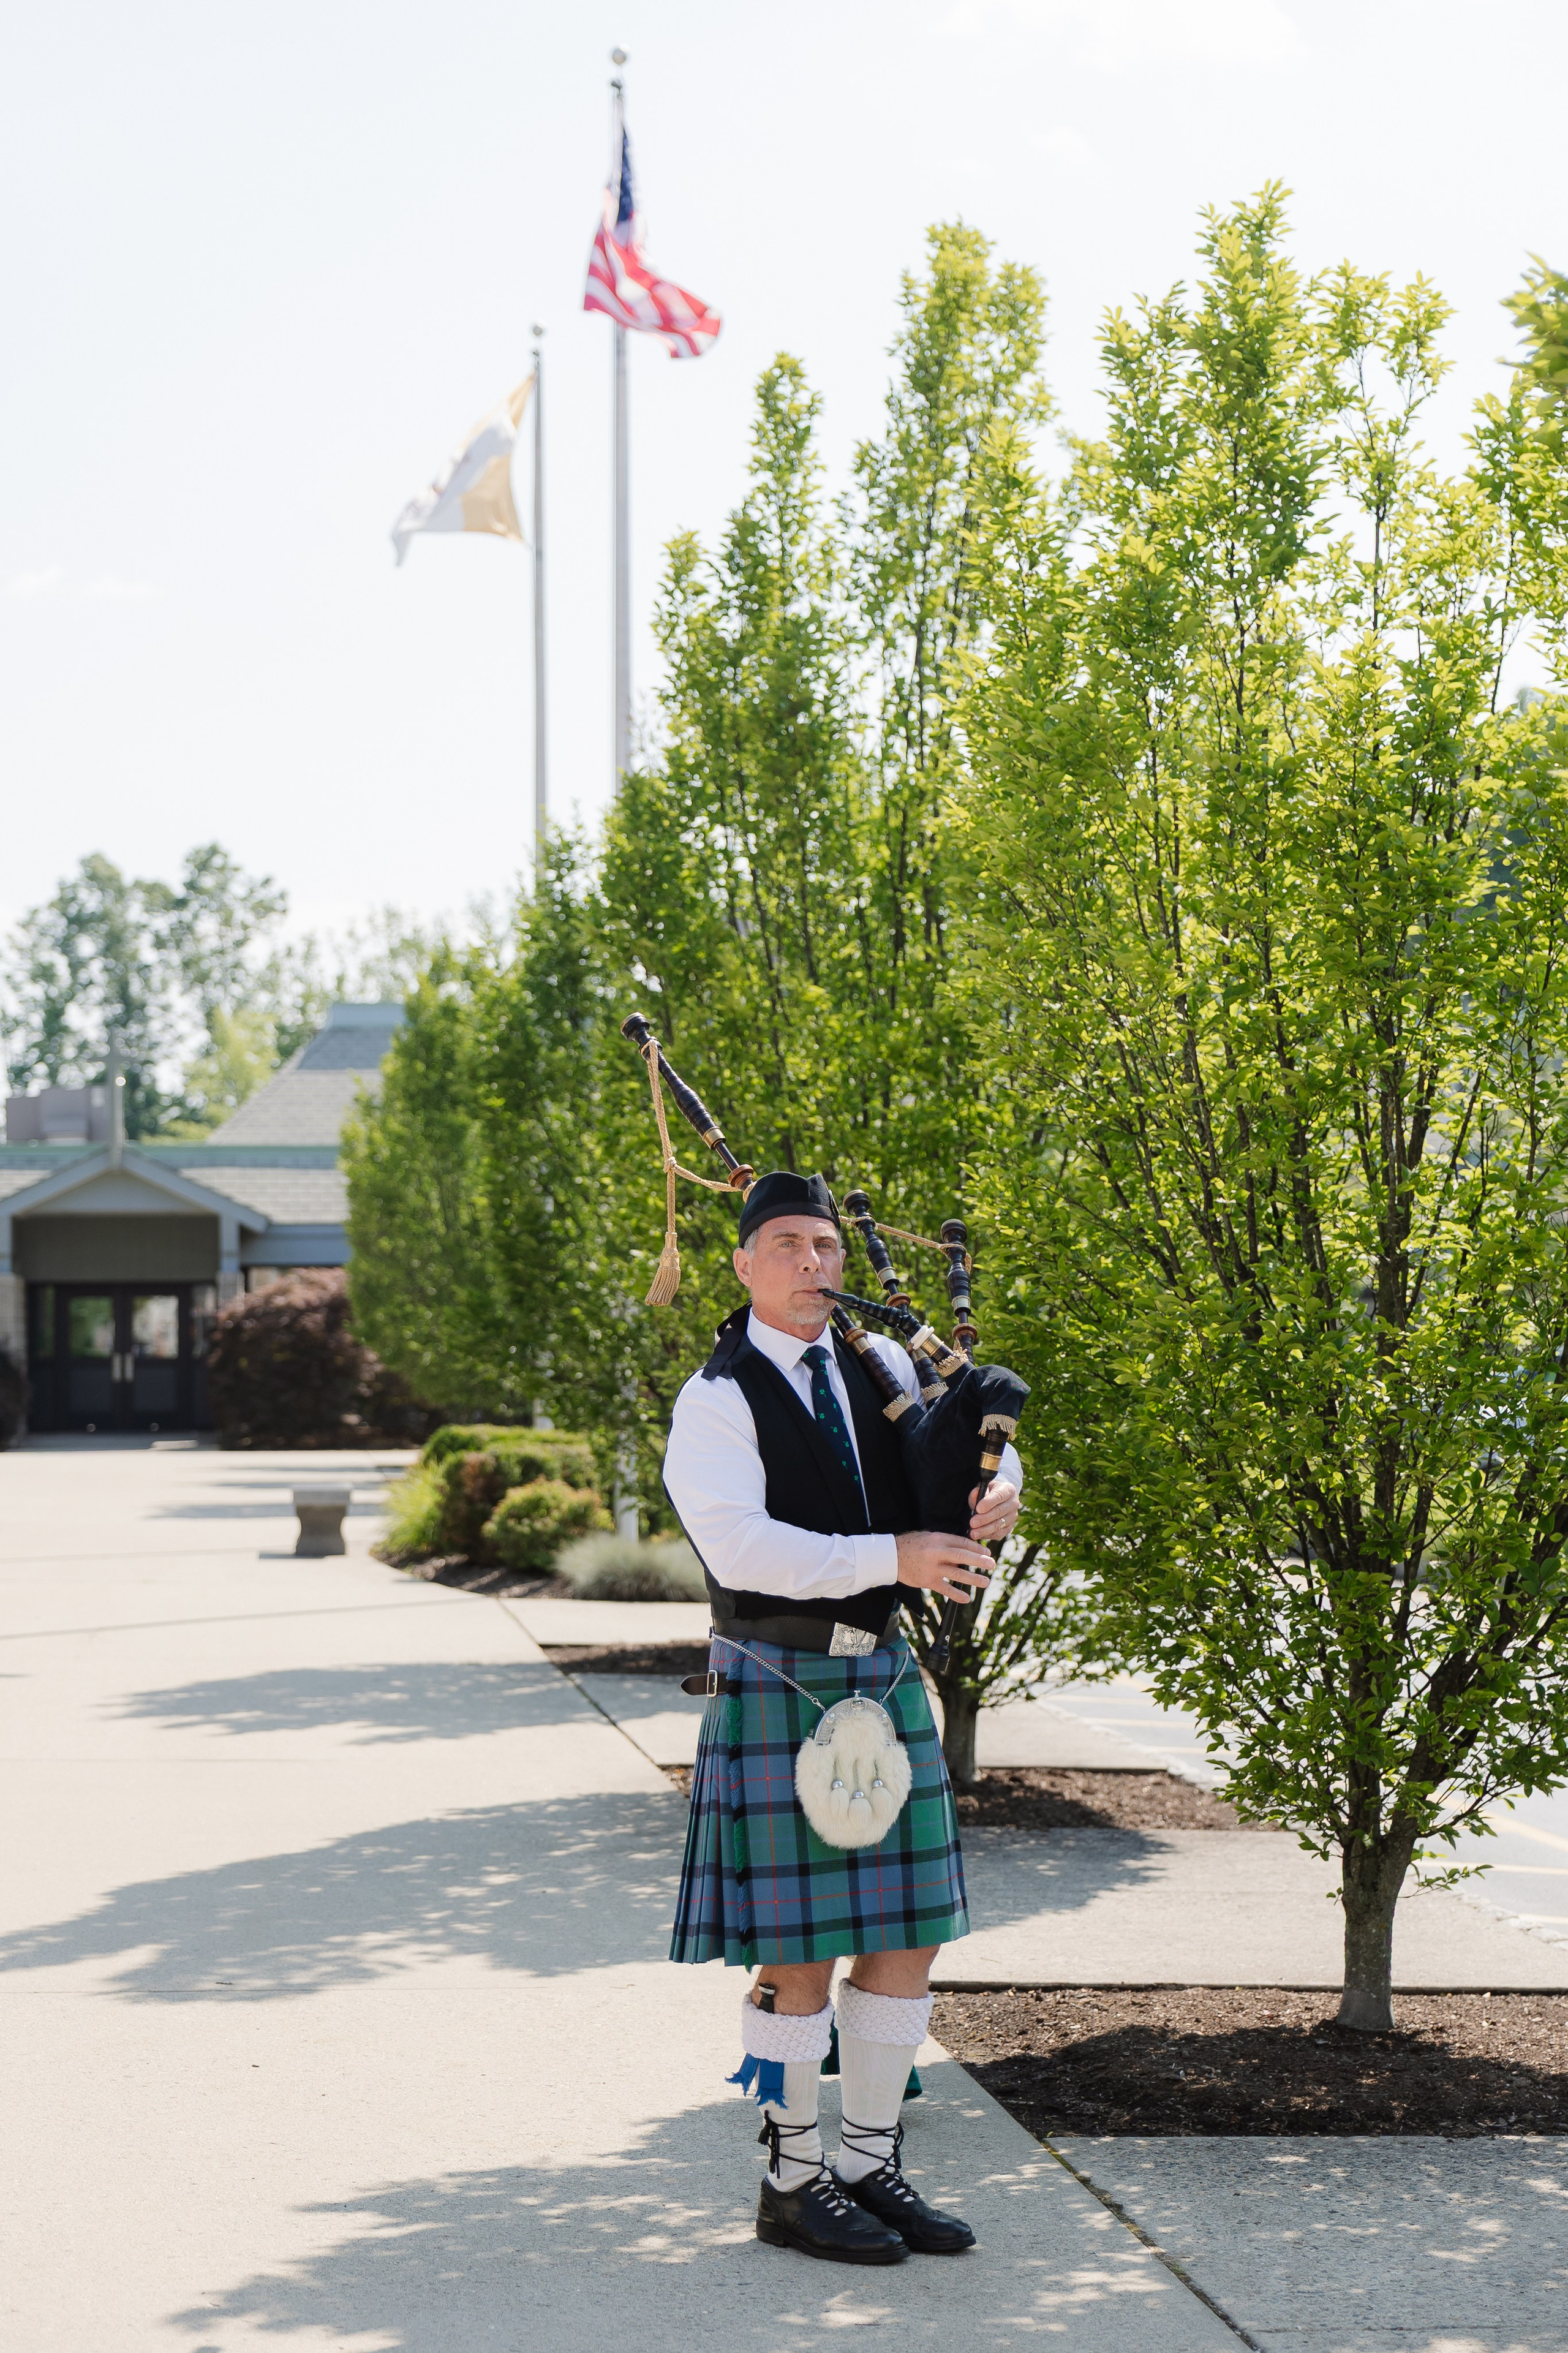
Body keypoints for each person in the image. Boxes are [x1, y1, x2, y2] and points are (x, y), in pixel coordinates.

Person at [663, 1170, 1022, 2267]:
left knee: (908, 1938)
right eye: (786, 1244)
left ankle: (868, 2162)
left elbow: (973, 1447)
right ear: (742, 1262)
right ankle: (791, 2176)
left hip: (885, 1674)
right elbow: (742, 1547)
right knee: (799, 1955)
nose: (815, 1262)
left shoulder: (887, 1367)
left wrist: (1007, 1488)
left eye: (825, 1244)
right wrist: (894, 1558)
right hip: (779, 1677)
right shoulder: (717, 1396)